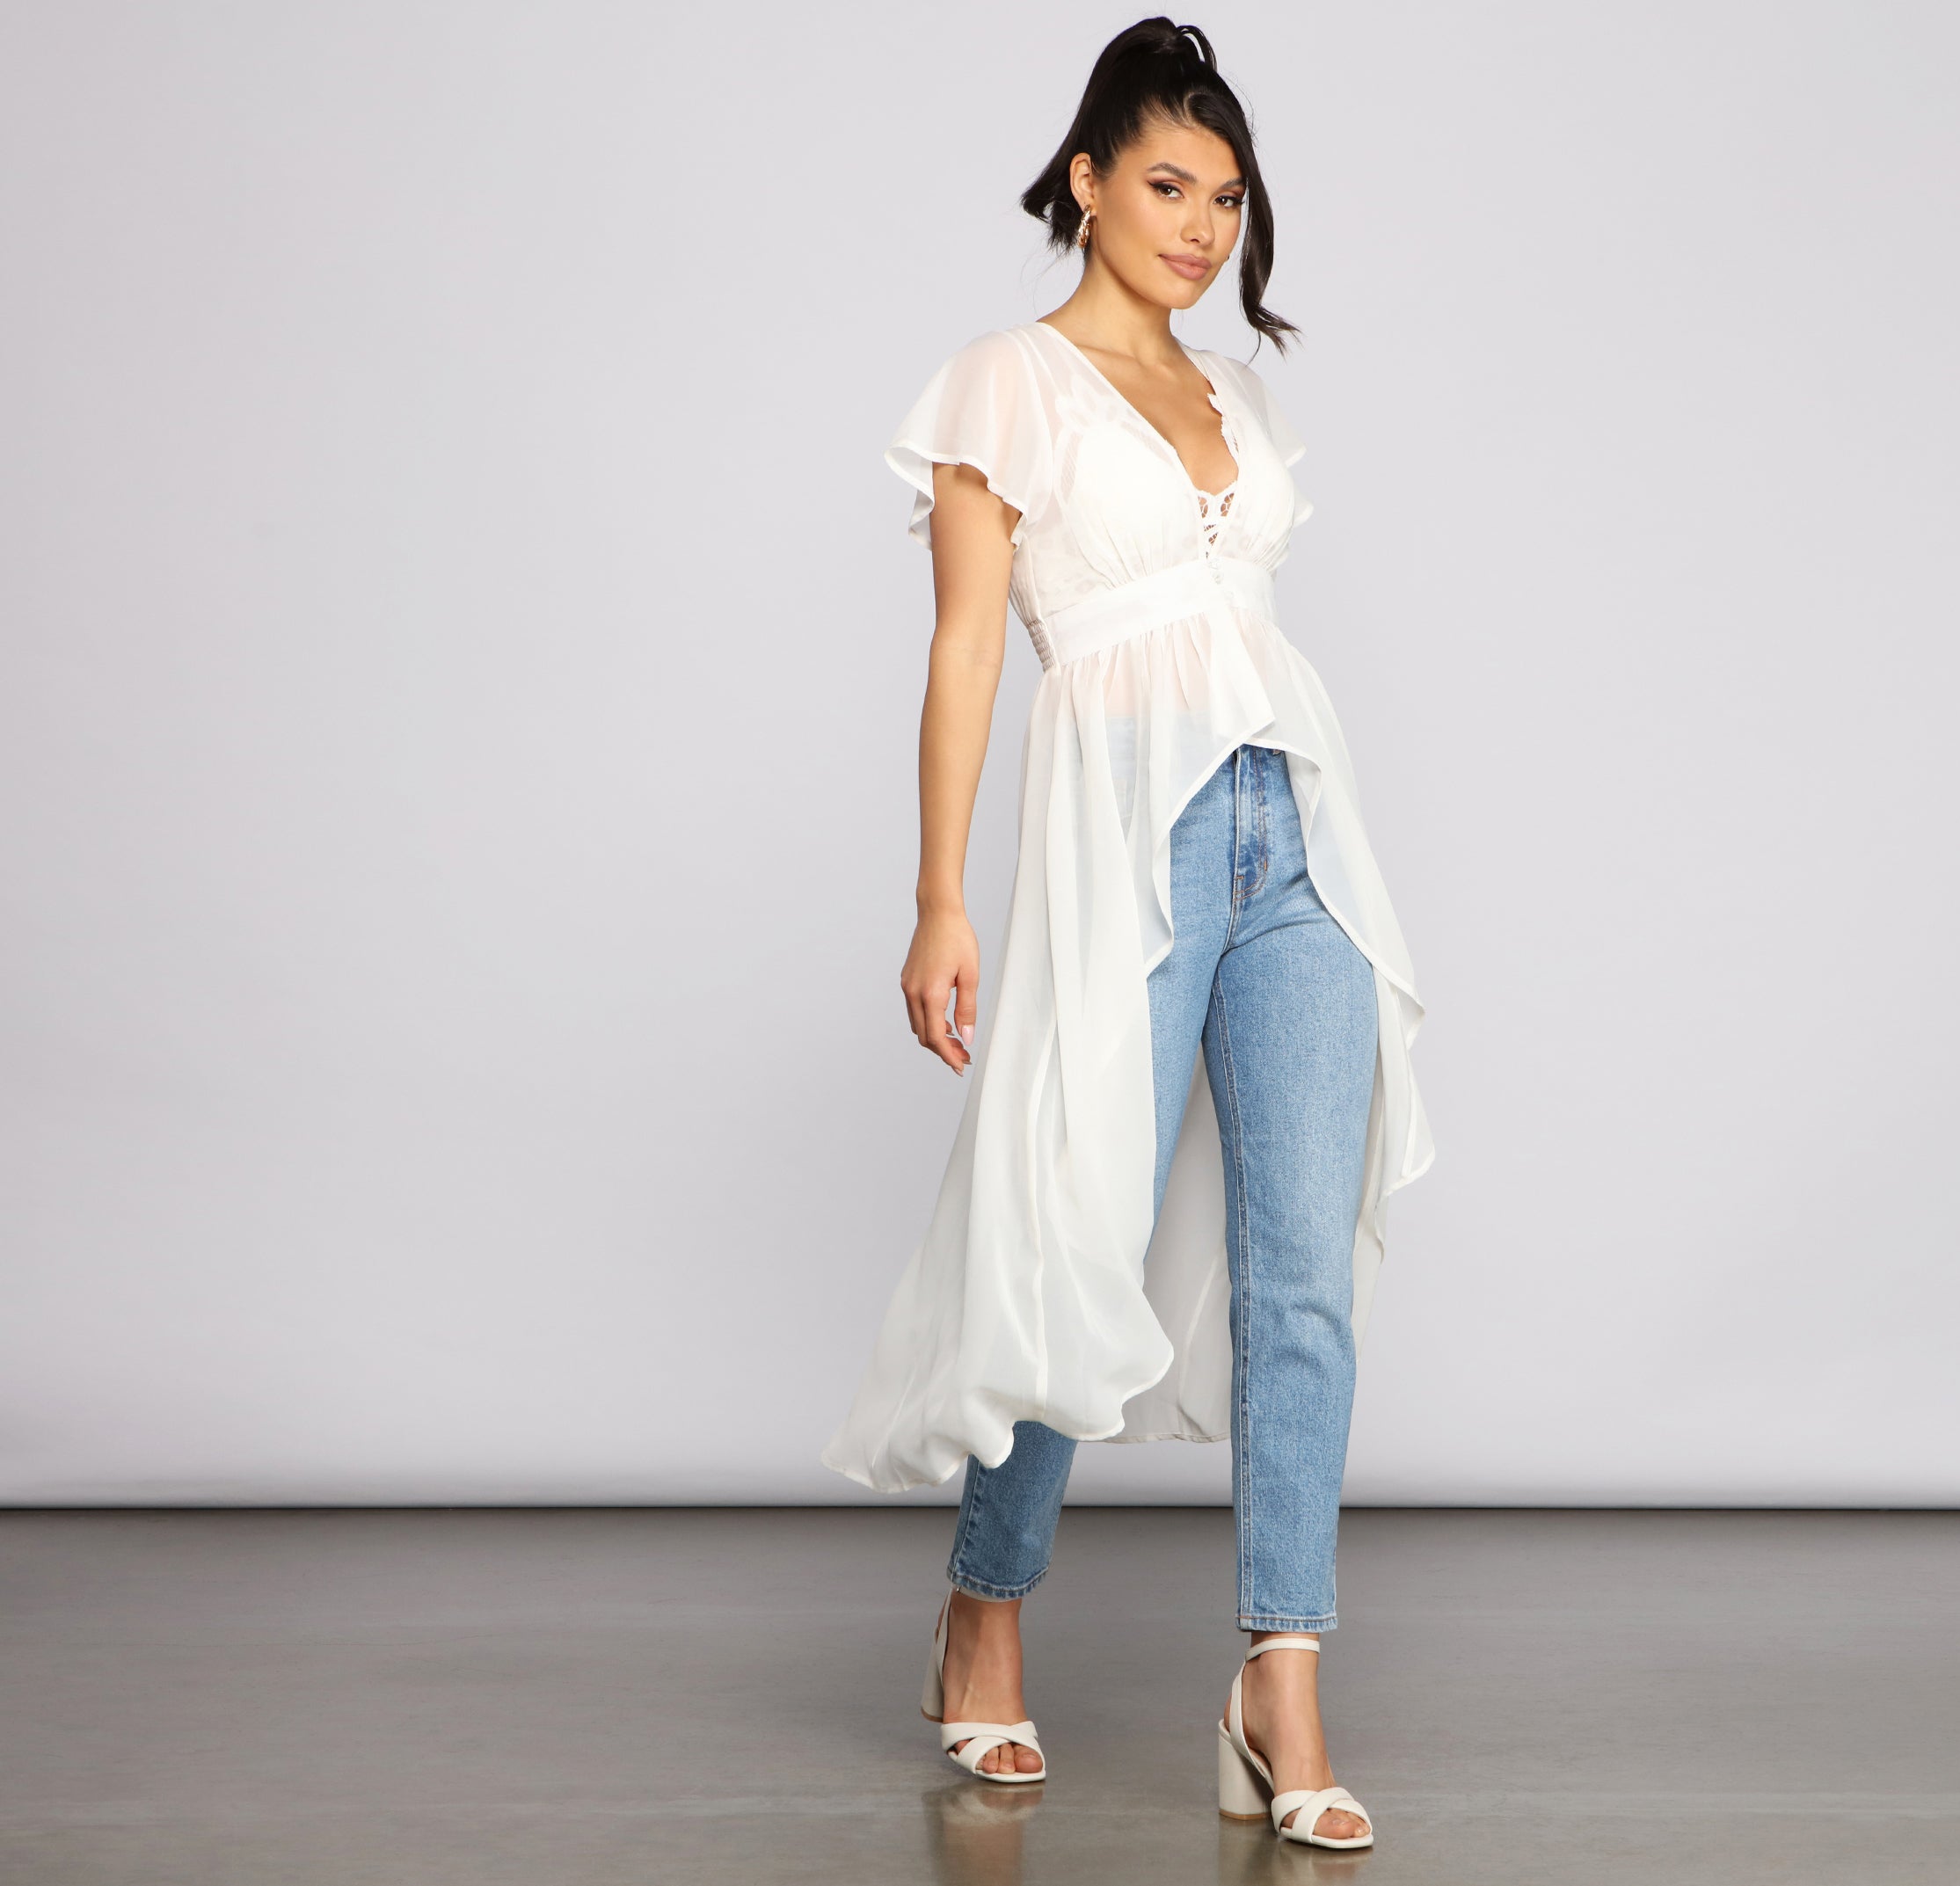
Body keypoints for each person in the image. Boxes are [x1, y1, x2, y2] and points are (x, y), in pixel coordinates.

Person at [820, 17, 1433, 1851]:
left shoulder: (1237, 395)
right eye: (1167, 185)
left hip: (1297, 834)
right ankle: (983, 1607)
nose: (1199, 225)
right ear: (1084, 181)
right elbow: (962, 654)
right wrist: (939, 895)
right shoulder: (1002, 384)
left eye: (1226, 198)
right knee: (1069, 1233)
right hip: (1127, 842)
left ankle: (1281, 1678)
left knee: (1302, 1267)